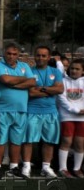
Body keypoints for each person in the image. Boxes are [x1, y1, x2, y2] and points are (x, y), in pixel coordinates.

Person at [0, 42, 36, 178]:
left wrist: (14, 83)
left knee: (16, 140)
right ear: (4, 53)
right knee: (1, 139)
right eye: (9, 53)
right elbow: (5, 80)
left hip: (21, 109)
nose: (11, 56)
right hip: (2, 108)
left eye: (14, 54)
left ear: (19, 55)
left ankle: (14, 166)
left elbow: (33, 82)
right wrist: (23, 80)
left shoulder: (24, 66)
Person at [21, 46, 64, 178]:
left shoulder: (55, 72)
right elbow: (30, 92)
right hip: (32, 110)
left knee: (49, 141)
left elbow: (60, 89)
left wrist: (42, 89)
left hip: (50, 111)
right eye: (38, 55)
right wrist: (50, 90)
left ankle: (46, 167)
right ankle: (26, 166)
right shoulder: (28, 71)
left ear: (49, 57)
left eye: (43, 56)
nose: (40, 58)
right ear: (34, 56)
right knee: (28, 140)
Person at [58, 58, 84, 177]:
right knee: (66, 141)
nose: (74, 71)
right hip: (67, 115)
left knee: (79, 143)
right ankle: (63, 168)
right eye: (72, 68)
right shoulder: (63, 81)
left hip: (82, 117)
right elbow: (61, 99)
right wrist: (76, 110)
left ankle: (77, 168)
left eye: (77, 69)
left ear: (82, 71)